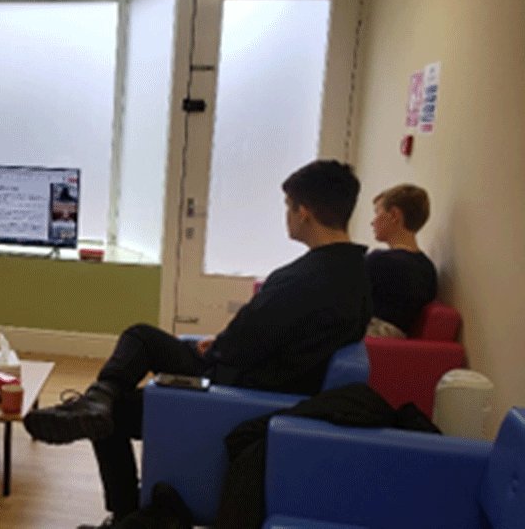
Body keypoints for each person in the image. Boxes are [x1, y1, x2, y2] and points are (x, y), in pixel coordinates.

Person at [23, 160, 372, 529]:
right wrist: (220, 343)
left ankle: (125, 508)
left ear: (304, 212)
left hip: (233, 392)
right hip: (265, 382)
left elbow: (244, 344)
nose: (287, 216)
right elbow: (271, 335)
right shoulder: (357, 273)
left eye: (288, 207)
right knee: (141, 338)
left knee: (117, 410)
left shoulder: (302, 279)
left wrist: (218, 348)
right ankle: (98, 397)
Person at [366, 184, 437, 337]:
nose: (372, 222)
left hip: (369, 338)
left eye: (377, 212)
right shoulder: (427, 268)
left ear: (394, 215)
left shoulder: (379, 261)